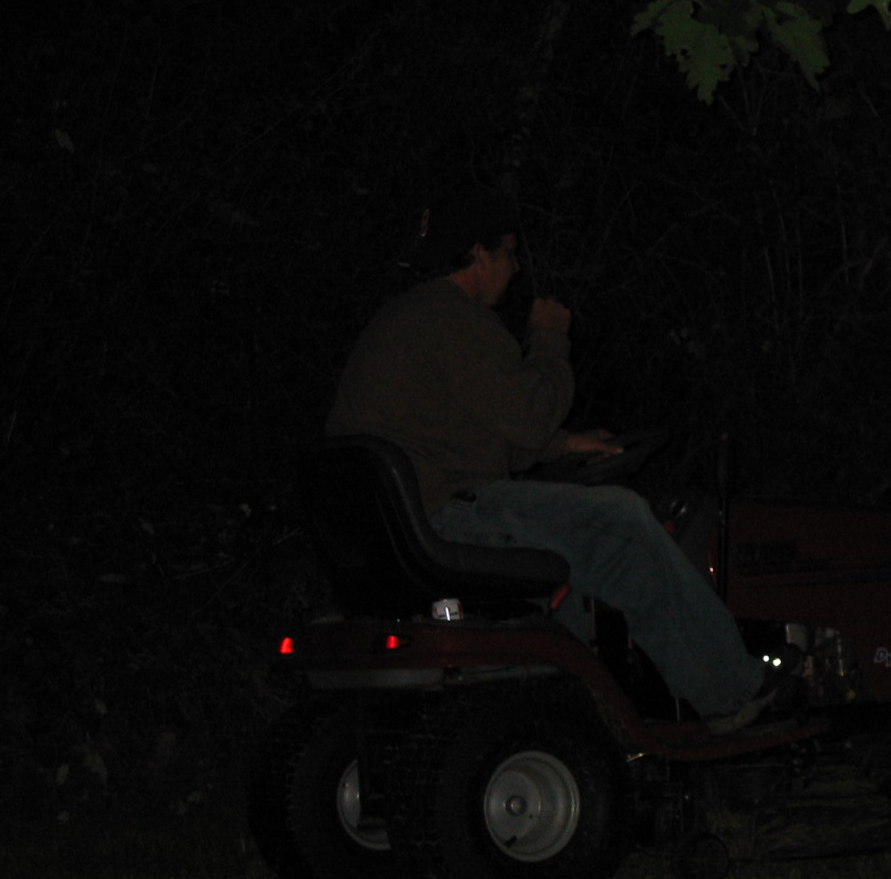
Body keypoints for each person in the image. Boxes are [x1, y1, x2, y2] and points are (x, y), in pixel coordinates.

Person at [325, 186, 788, 734]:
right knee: (624, 523)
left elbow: (482, 427)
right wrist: (548, 338)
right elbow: (528, 415)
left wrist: (565, 445)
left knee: (573, 583)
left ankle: (591, 727)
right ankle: (732, 692)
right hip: (446, 517)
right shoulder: (456, 320)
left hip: (396, 528)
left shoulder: (409, 320)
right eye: (509, 252)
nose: (516, 268)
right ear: (479, 254)